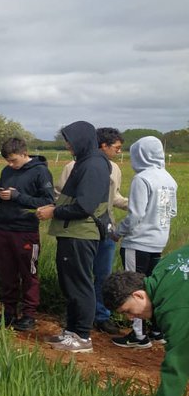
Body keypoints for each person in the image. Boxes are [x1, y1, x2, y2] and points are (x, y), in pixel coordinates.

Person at [103, 249, 189, 396]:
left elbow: (177, 364)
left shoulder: (174, 309)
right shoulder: (164, 268)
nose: (131, 317)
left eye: (128, 311)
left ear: (139, 295)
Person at [36, 121, 111, 353]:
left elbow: (85, 207)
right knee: (70, 284)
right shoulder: (86, 162)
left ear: (82, 139)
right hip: (72, 233)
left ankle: (82, 337)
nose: (68, 145)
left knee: (80, 284)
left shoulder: (94, 165)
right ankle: (71, 331)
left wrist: (53, 211)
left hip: (80, 234)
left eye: (70, 140)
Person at [56, 127, 129, 333]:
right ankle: (78, 320)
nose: (118, 152)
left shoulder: (114, 168)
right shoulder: (73, 165)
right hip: (81, 228)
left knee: (102, 275)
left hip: (106, 228)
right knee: (80, 277)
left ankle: (101, 315)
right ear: (102, 145)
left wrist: (136, 205)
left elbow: (113, 197)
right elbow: (61, 194)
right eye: (116, 147)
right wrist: (56, 211)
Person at [112, 136, 178, 348]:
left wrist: (117, 232)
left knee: (134, 287)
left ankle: (138, 335)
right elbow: (172, 211)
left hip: (138, 242)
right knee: (152, 286)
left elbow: (135, 214)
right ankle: (157, 331)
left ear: (140, 154)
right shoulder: (168, 179)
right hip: (159, 241)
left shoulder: (142, 179)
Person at [0, 137, 54, 331]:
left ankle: (29, 315)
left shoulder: (41, 172)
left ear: (24, 154)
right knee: (6, 273)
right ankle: (9, 312)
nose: (11, 165)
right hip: (3, 228)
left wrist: (18, 197)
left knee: (29, 273)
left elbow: (48, 201)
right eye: (8, 161)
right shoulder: (7, 170)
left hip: (25, 231)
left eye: (13, 160)